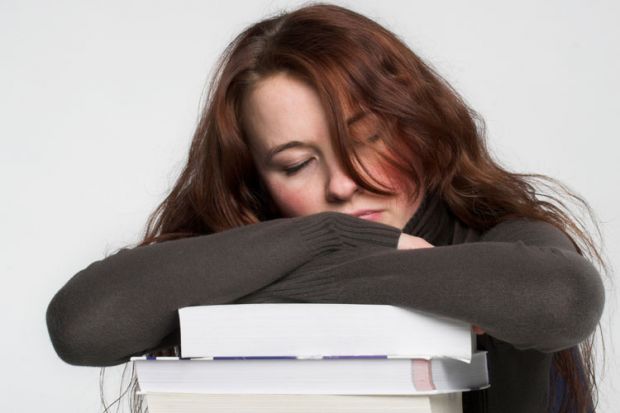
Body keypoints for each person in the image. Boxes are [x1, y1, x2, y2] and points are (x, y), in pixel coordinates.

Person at [45, 3, 607, 413]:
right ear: (255, 180)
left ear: (418, 124)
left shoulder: (497, 241)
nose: (343, 184)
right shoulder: (239, 252)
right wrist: (332, 240)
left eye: (366, 139)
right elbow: (82, 325)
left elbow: (560, 299)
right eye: (296, 164)